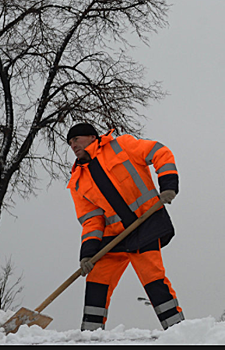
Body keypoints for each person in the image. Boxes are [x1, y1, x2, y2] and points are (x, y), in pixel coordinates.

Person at [66, 122, 184, 331]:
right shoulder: (78, 181)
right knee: (96, 283)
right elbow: (92, 220)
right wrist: (88, 253)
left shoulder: (121, 146)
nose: (73, 145)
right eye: (70, 142)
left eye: (76, 139)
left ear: (92, 137)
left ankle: (178, 331)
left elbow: (160, 152)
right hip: (113, 238)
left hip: (145, 227)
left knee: (153, 279)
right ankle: (90, 337)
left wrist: (168, 185)